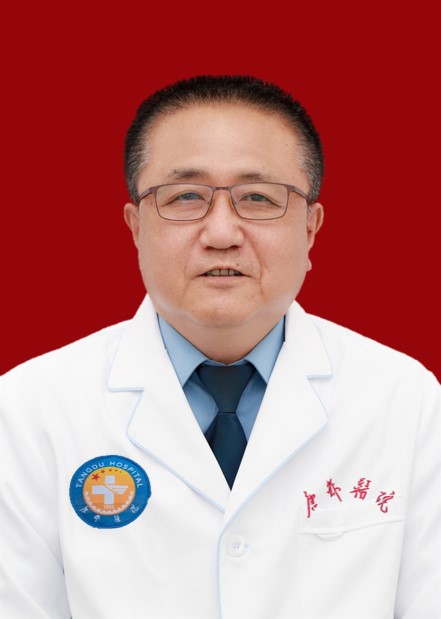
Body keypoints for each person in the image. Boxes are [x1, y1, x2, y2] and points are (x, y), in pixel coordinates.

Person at [0, 75, 439, 619]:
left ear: (311, 228)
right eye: (186, 197)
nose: (222, 233)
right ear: (136, 227)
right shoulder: (28, 409)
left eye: (258, 198)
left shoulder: (406, 399)